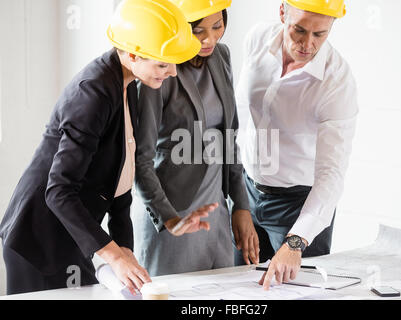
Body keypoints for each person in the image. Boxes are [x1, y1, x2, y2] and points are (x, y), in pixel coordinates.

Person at [0, 0, 206, 295]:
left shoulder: (127, 83)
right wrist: (114, 256)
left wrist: (125, 251)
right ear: (133, 54)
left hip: (74, 237)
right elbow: (58, 190)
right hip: (38, 241)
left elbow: (120, 183)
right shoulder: (93, 92)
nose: (172, 72)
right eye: (163, 63)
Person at [235, 0, 359, 290]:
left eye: (320, 34)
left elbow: (332, 173)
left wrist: (296, 241)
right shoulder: (256, 39)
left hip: (297, 206)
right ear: (282, 13)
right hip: (247, 192)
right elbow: (240, 113)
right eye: (299, 30)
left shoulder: (336, 81)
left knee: (298, 293)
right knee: (238, 288)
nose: (307, 44)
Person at [132, 0, 259, 277]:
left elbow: (230, 138)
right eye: (197, 31)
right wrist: (170, 219)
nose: (209, 38)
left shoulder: (221, 56)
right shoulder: (158, 68)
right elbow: (139, 160)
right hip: (174, 213)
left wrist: (241, 206)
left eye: (217, 26)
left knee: (223, 293)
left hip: (215, 208)